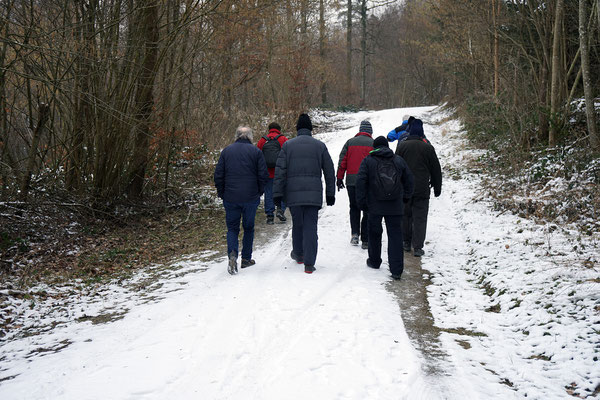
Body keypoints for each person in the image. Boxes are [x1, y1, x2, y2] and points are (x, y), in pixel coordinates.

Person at [273, 113, 336, 274]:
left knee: (298, 224)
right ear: (311, 129)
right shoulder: (320, 146)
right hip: (313, 194)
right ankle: (309, 263)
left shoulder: (287, 146)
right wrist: (330, 193)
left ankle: (299, 254)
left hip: (293, 194)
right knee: (311, 226)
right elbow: (329, 171)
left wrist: (277, 195)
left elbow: (280, 172)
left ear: (297, 129)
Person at [355, 136, 414, 280]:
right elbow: (410, 180)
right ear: (387, 146)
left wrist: (362, 202)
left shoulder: (368, 161)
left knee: (374, 233)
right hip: (395, 205)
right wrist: (405, 197)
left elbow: (360, 182)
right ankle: (396, 270)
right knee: (395, 236)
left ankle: (374, 261)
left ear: (374, 147)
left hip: (374, 205)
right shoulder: (398, 160)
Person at [214, 126, 269, 275]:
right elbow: (263, 174)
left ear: (236, 136)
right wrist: (259, 191)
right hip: (250, 197)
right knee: (249, 228)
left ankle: (232, 254)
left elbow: (218, 174)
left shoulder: (227, 151)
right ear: (250, 137)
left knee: (232, 228)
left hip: (231, 197)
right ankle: (246, 258)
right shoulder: (256, 152)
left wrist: (222, 192)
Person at [395, 118, 442, 257]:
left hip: (405, 188)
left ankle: (405, 242)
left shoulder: (402, 146)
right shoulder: (428, 148)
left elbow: (395, 166)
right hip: (422, 188)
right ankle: (418, 247)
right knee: (420, 217)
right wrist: (437, 187)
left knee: (406, 215)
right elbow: (435, 169)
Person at [336, 120, 374, 249]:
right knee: (367, 209)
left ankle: (355, 234)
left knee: (354, 207)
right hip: (368, 182)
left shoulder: (350, 142)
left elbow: (343, 161)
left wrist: (339, 177)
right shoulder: (373, 144)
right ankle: (366, 240)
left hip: (352, 181)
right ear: (370, 131)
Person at [257, 122, 289, 224]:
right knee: (282, 191)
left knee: (269, 193)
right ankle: (281, 210)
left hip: (267, 172)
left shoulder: (263, 140)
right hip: (280, 172)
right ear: (279, 130)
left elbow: (257, 155)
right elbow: (288, 155)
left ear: (269, 129)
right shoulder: (283, 139)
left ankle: (269, 216)